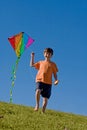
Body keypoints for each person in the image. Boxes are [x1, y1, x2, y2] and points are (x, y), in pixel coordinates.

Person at [30, 48, 59, 113]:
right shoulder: (41, 62)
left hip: (48, 83)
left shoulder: (53, 64)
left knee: (45, 99)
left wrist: (56, 80)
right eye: (46, 53)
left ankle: (43, 111)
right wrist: (32, 56)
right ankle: (37, 105)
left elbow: (55, 73)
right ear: (44, 54)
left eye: (49, 53)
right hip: (40, 80)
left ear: (51, 55)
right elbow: (32, 65)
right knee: (38, 91)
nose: (47, 54)